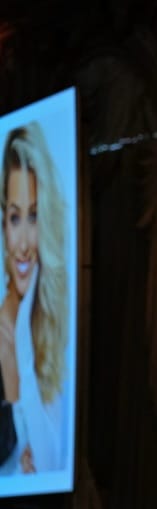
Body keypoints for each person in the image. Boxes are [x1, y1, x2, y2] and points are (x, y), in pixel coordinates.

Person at [0, 122, 68, 474]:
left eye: (34, 216)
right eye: (14, 218)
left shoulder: (50, 327)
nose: (24, 243)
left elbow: (49, 460)